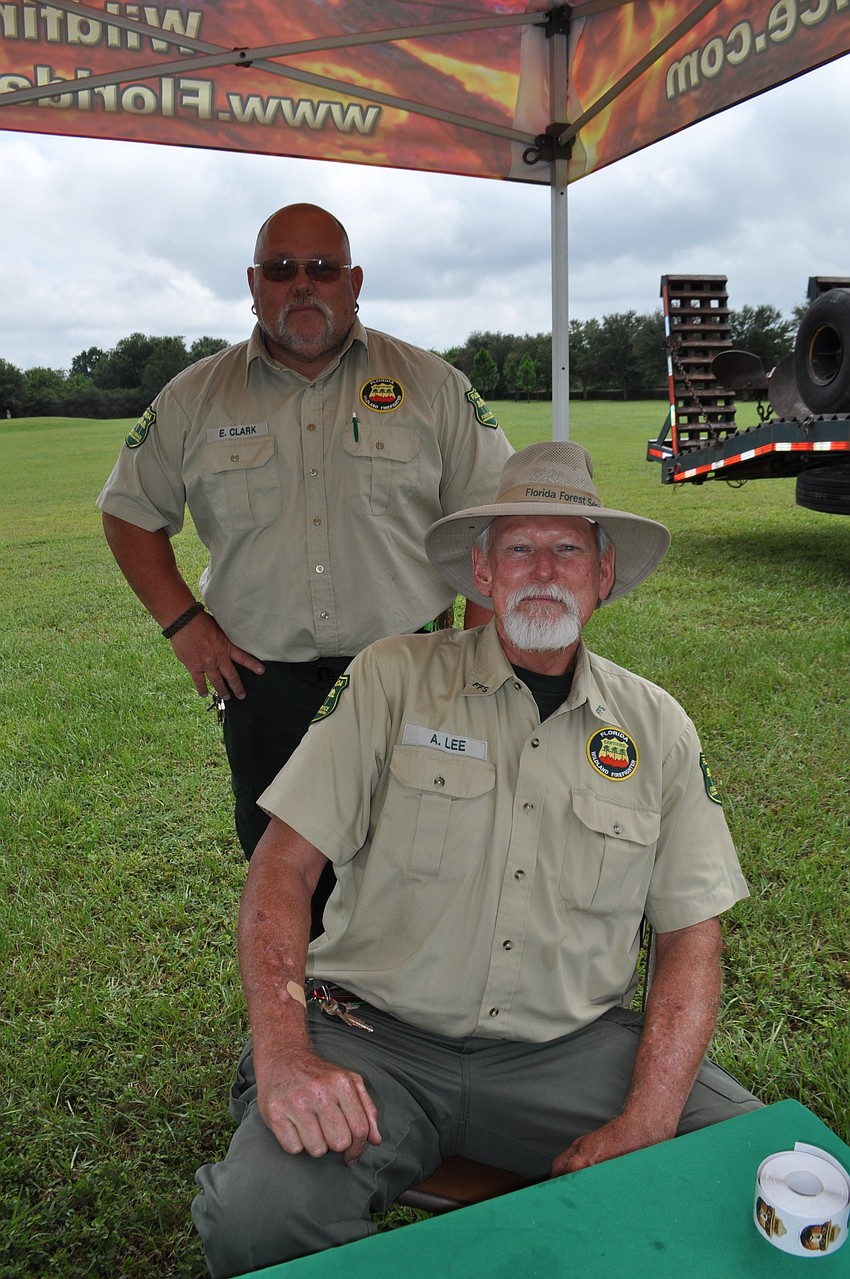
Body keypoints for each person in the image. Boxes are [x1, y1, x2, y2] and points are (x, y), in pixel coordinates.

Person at [191, 440, 761, 1277]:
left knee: (762, 1172)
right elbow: (283, 869)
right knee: (255, 1224)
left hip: (567, 1053)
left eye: (568, 548)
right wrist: (284, 1056)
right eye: (519, 546)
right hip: (374, 1041)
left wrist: (647, 1119)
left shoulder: (658, 728)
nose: (543, 568)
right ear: (483, 574)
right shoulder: (392, 678)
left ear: (604, 576)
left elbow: (691, 938)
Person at [97, 203, 513, 933]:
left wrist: (474, 658)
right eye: (281, 269)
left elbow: (496, 523)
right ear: (253, 282)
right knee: (285, 873)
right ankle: (303, 1025)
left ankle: (400, 1029)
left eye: (321, 268)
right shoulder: (194, 397)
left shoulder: (433, 386)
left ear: (353, 282)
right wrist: (186, 626)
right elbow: (128, 511)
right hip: (267, 685)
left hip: (411, 676)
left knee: (418, 864)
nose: (302, 284)